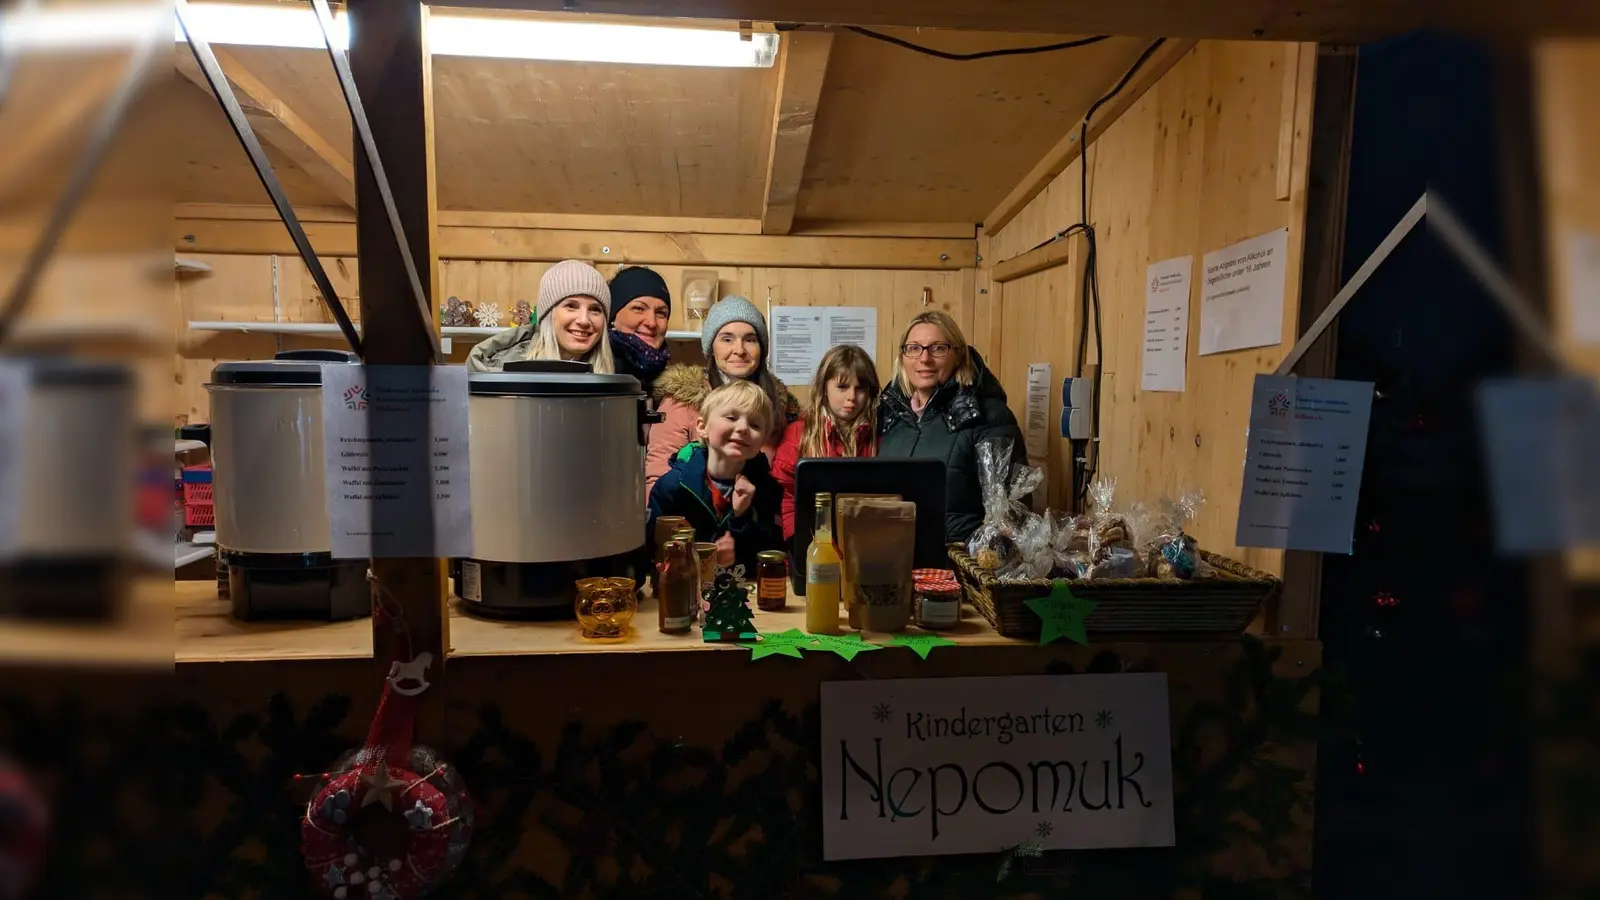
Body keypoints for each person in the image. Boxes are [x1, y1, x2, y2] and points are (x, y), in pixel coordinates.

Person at [877, 310, 1025, 544]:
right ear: (903, 357)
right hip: (892, 553)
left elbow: (1013, 514)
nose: (924, 359)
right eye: (914, 348)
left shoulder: (989, 418)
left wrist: (979, 556)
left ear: (958, 355)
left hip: (955, 560)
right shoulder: (890, 414)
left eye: (938, 348)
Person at [646, 296, 799, 493]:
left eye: (750, 339)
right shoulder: (682, 401)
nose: (739, 350)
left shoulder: (781, 406)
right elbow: (659, 478)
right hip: (695, 510)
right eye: (727, 339)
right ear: (712, 348)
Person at [646, 379, 784, 573]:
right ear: (702, 427)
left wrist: (741, 518)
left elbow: (772, 555)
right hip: (682, 586)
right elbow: (651, 553)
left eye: (755, 425)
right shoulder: (672, 486)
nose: (743, 428)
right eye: (731, 417)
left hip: (743, 587)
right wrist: (702, 559)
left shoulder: (767, 489)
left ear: (762, 440)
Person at [772, 344, 880, 540]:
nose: (851, 397)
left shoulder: (877, 436)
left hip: (865, 540)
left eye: (860, 389)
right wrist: (797, 542)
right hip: (811, 541)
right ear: (824, 387)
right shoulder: (799, 434)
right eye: (842, 387)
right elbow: (785, 496)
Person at [466, 259, 613, 373]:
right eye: (571, 306)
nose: (584, 320)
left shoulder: (614, 374)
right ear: (548, 314)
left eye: (595, 310)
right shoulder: (503, 369)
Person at [607, 266, 672, 394]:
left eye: (661, 313)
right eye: (639, 308)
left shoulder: (676, 391)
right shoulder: (596, 373)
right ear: (613, 316)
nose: (652, 323)